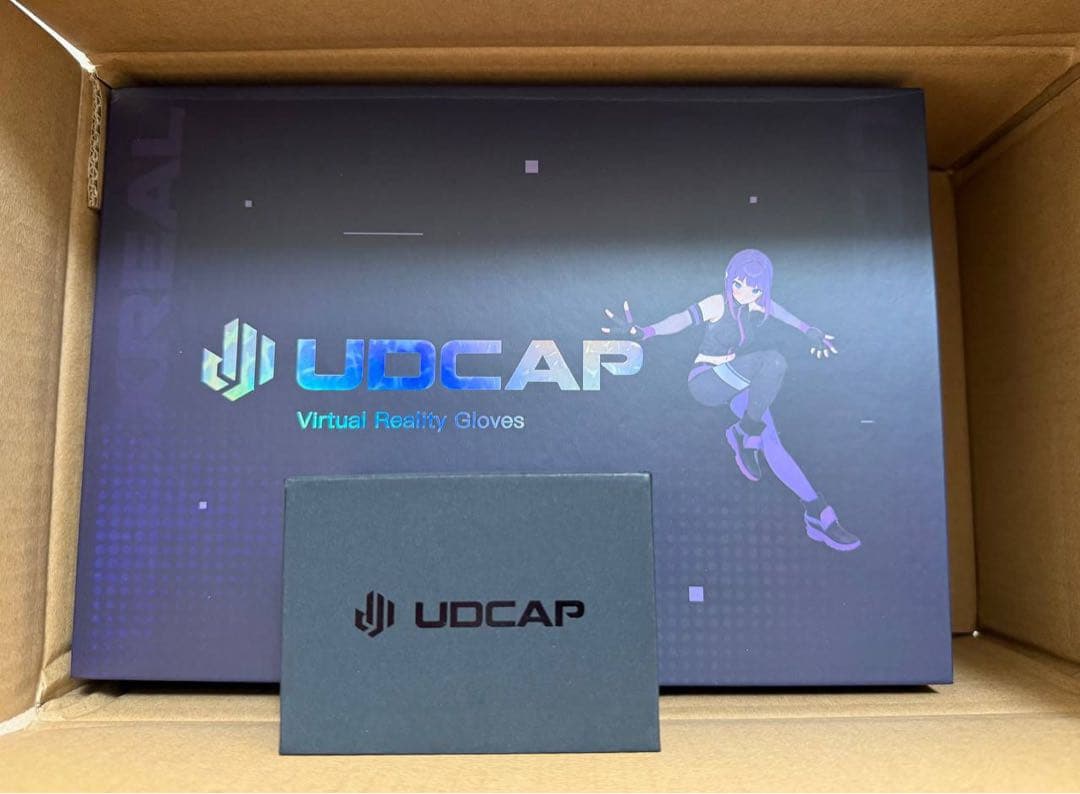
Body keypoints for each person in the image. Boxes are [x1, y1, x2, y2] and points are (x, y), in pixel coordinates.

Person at [602, 248, 861, 552]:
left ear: (762, 289)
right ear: (729, 278)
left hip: (737, 381)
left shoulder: (759, 305)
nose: (743, 292)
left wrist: (809, 330)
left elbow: (785, 315)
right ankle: (744, 432)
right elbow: (681, 320)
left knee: (771, 441)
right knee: (773, 362)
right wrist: (646, 332)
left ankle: (817, 511)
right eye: (738, 284)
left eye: (753, 289)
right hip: (706, 380)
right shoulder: (718, 303)